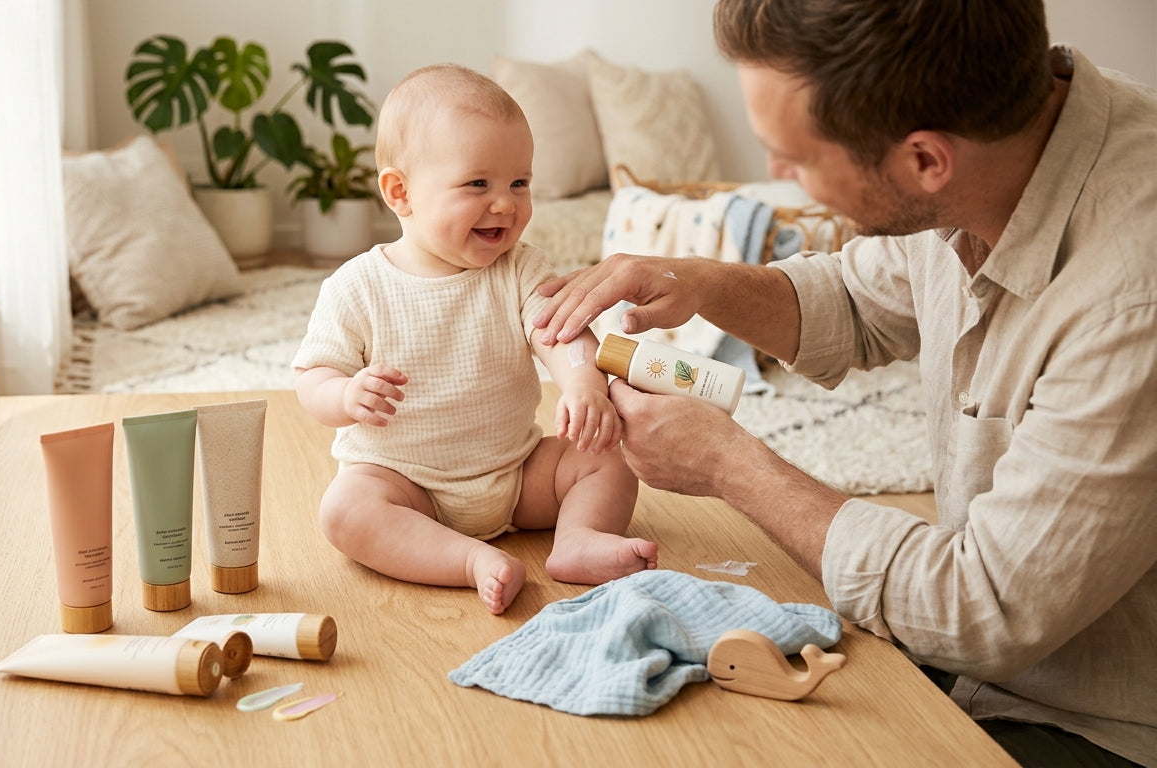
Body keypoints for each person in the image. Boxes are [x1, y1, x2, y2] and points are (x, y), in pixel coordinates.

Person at [533, 1, 1155, 764]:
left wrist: (730, 465)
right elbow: (860, 301)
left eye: (792, 157)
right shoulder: (997, 146)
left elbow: (979, 612)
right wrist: (699, 280)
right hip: (974, 656)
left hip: (1094, 722)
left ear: (924, 161)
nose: (774, 177)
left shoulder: (1131, 300)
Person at [292, 63, 657, 615]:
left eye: (519, 182)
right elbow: (313, 376)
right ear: (401, 193)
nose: (506, 203)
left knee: (610, 458)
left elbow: (559, 332)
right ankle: (465, 560)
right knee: (345, 510)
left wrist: (584, 384)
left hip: (516, 470)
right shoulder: (357, 286)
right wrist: (344, 396)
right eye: (477, 184)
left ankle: (578, 540)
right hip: (405, 484)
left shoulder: (519, 268)